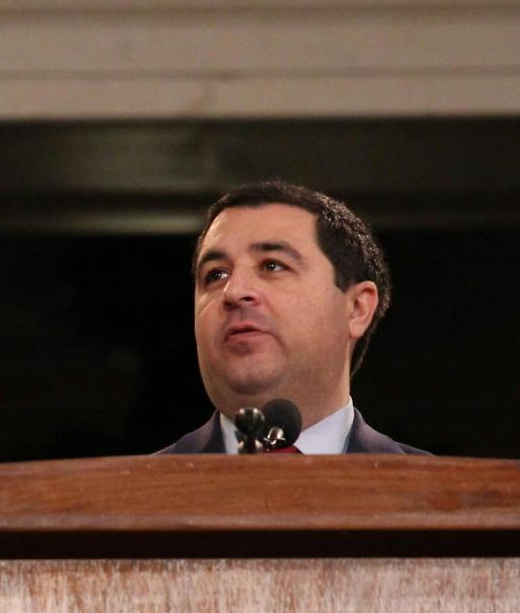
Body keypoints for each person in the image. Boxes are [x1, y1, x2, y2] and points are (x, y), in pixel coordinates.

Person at [160, 180, 423, 456]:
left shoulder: (445, 493)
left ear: (357, 307)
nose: (234, 291)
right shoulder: (129, 494)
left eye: (272, 265)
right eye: (216, 274)